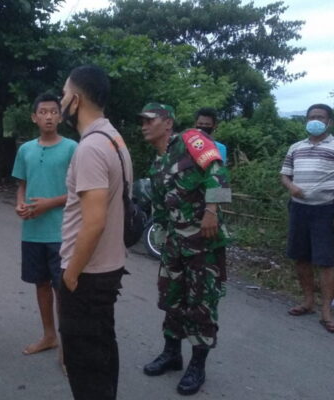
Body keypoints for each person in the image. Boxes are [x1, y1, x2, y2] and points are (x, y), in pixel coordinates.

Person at [140, 102, 231, 396]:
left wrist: (213, 210)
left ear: (167, 123)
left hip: (203, 244)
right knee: (171, 298)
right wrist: (164, 238)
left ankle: (198, 365)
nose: (143, 125)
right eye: (141, 121)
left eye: (149, 120)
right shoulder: (157, 165)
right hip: (174, 246)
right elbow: (161, 209)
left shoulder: (192, 140)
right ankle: (172, 353)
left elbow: (218, 170)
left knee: (202, 304)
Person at [58, 65, 131, 400]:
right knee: (102, 351)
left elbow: (94, 221)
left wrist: (71, 275)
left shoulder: (89, 148)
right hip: (107, 267)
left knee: (85, 365)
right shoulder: (113, 138)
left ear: (75, 99)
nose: (60, 102)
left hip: (87, 273)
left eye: (62, 95)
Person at [280, 103, 334, 334]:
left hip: (326, 210)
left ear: (329, 121)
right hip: (299, 209)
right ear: (306, 121)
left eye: (320, 117)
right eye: (312, 117)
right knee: (301, 257)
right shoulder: (296, 147)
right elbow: (284, 174)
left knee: (325, 261)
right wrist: (291, 186)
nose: (315, 120)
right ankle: (307, 302)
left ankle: (326, 311)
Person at [11, 93, 77, 356]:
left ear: (60, 116)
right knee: (41, 285)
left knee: (63, 290)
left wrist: (49, 203)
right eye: (43, 112)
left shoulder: (73, 148)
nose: (48, 116)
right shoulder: (25, 150)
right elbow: (22, 185)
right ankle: (49, 336)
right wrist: (20, 204)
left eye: (53, 111)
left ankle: (67, 346)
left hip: (62, 232)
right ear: (34, 117)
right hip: (33, 232)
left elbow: (80, 191)